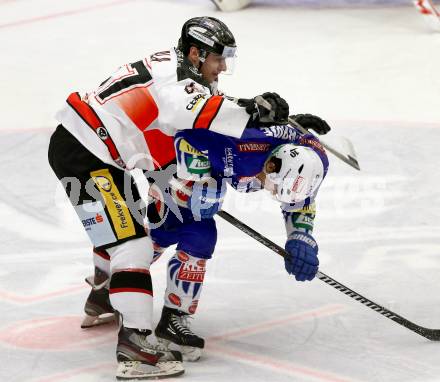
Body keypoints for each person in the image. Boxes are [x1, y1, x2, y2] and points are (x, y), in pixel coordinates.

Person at [48, 15, 290, 380]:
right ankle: (136, 346)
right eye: (217, 59)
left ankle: (102, 293)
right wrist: (254, 111)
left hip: (94, 148)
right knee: (133, 246)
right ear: (195, 53)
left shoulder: (175, 68)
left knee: (127, 229)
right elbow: (200, 111)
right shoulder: (177, 84)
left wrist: (271, 121)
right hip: (88, 154)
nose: (222, 67)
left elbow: (201, 112)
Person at [144, 117, 330, 361]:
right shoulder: (240, 148)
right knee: (169, 229)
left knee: (200, 235)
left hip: (240, 155)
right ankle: (114, 277)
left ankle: (171, 315)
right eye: (275, 188)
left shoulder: (315, 162)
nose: (271, 192)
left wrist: (300, 237)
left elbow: (298, 204)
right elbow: (185, 133)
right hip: (175, 158)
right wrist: (202, 180)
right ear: (271, 166)